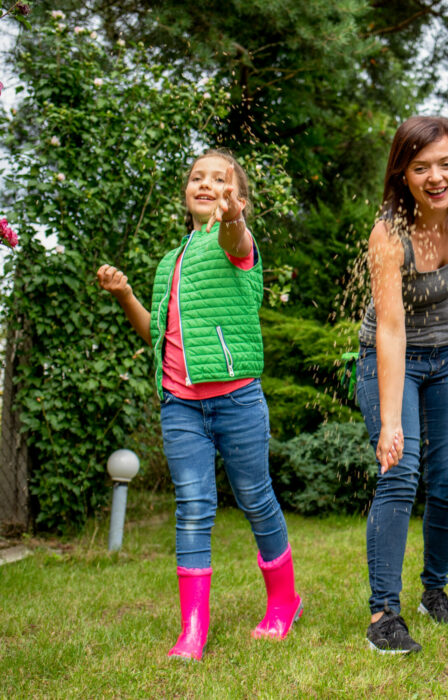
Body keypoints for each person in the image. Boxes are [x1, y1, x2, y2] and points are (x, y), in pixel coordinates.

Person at [96, 149, 302, 661]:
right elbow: (155, 334)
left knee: (255, 498)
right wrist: (125, 294)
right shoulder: (170, 261)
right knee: (192, 508)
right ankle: (193, 630)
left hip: (236, 398)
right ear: (185, 192)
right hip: (180, 406)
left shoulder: (238, 243)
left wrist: (232, 218)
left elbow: (236, 235)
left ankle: (284, 602)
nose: (206, 184)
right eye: (196, 177)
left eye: (220, 179)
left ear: (240, 198)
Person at [357, 116, 448, 654]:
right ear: (403, 173)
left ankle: (433, 594)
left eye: (446, 163)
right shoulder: (388, 235)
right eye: (422, 167)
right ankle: (383, 616)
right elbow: (391, 328)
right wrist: (391, 421)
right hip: (389, 359)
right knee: (400, 472)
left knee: (446, 482)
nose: (437, 176)